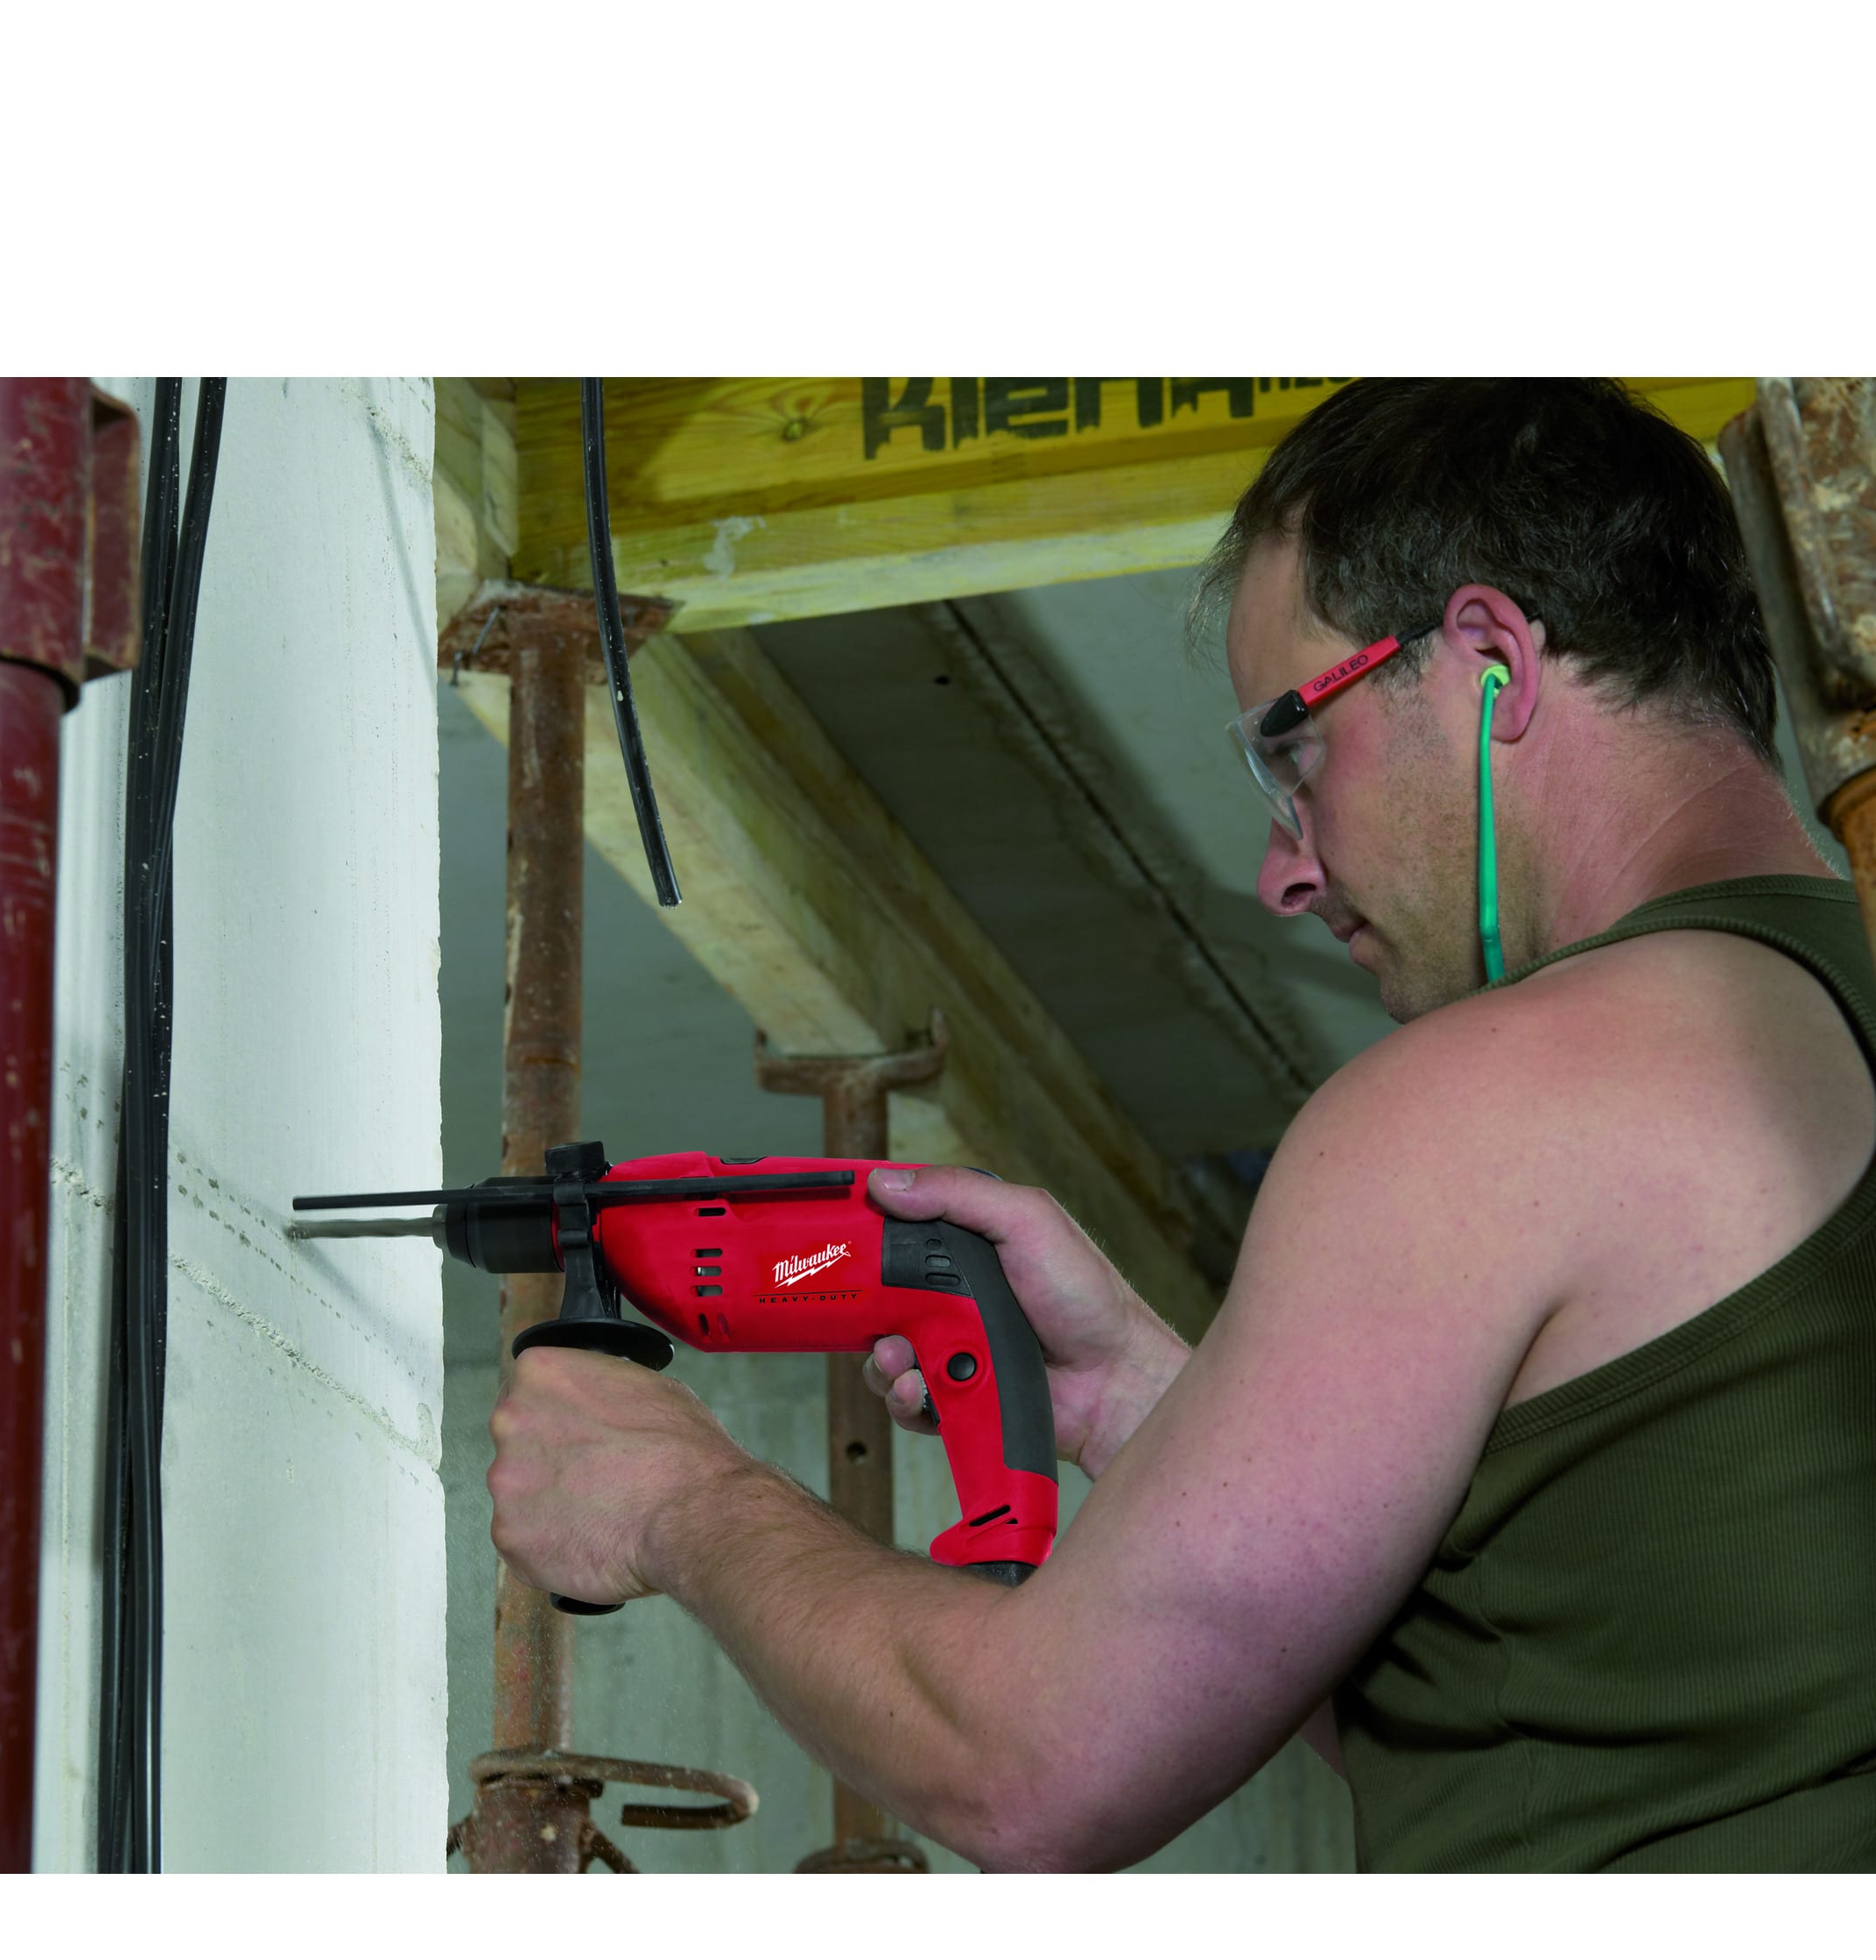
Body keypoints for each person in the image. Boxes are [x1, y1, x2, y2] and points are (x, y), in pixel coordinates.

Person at [485, 379, 1876, 1872]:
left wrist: (680, 1502)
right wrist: (1150, 1406)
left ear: (1490, 660)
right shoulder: (1822, 1010)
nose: (1285, 871)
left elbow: (1030, 1768)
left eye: (1295, 754)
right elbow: (1544, 1699)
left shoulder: (1500, 1096)